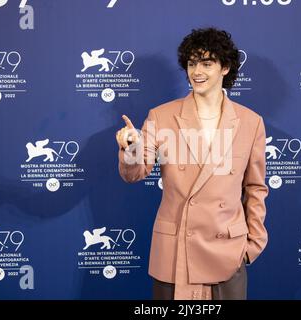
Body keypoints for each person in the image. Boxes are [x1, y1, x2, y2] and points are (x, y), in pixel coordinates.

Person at [115, 27, 268, 300]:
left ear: (225, 68)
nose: (197, 71)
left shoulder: (251, 122)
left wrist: (252, 245)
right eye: (191, 63)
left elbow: (255, 188)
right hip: (175, 255)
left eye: (207, 63)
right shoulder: (161, 116)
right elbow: (136, 173)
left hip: (227, 254)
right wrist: (131, 147)